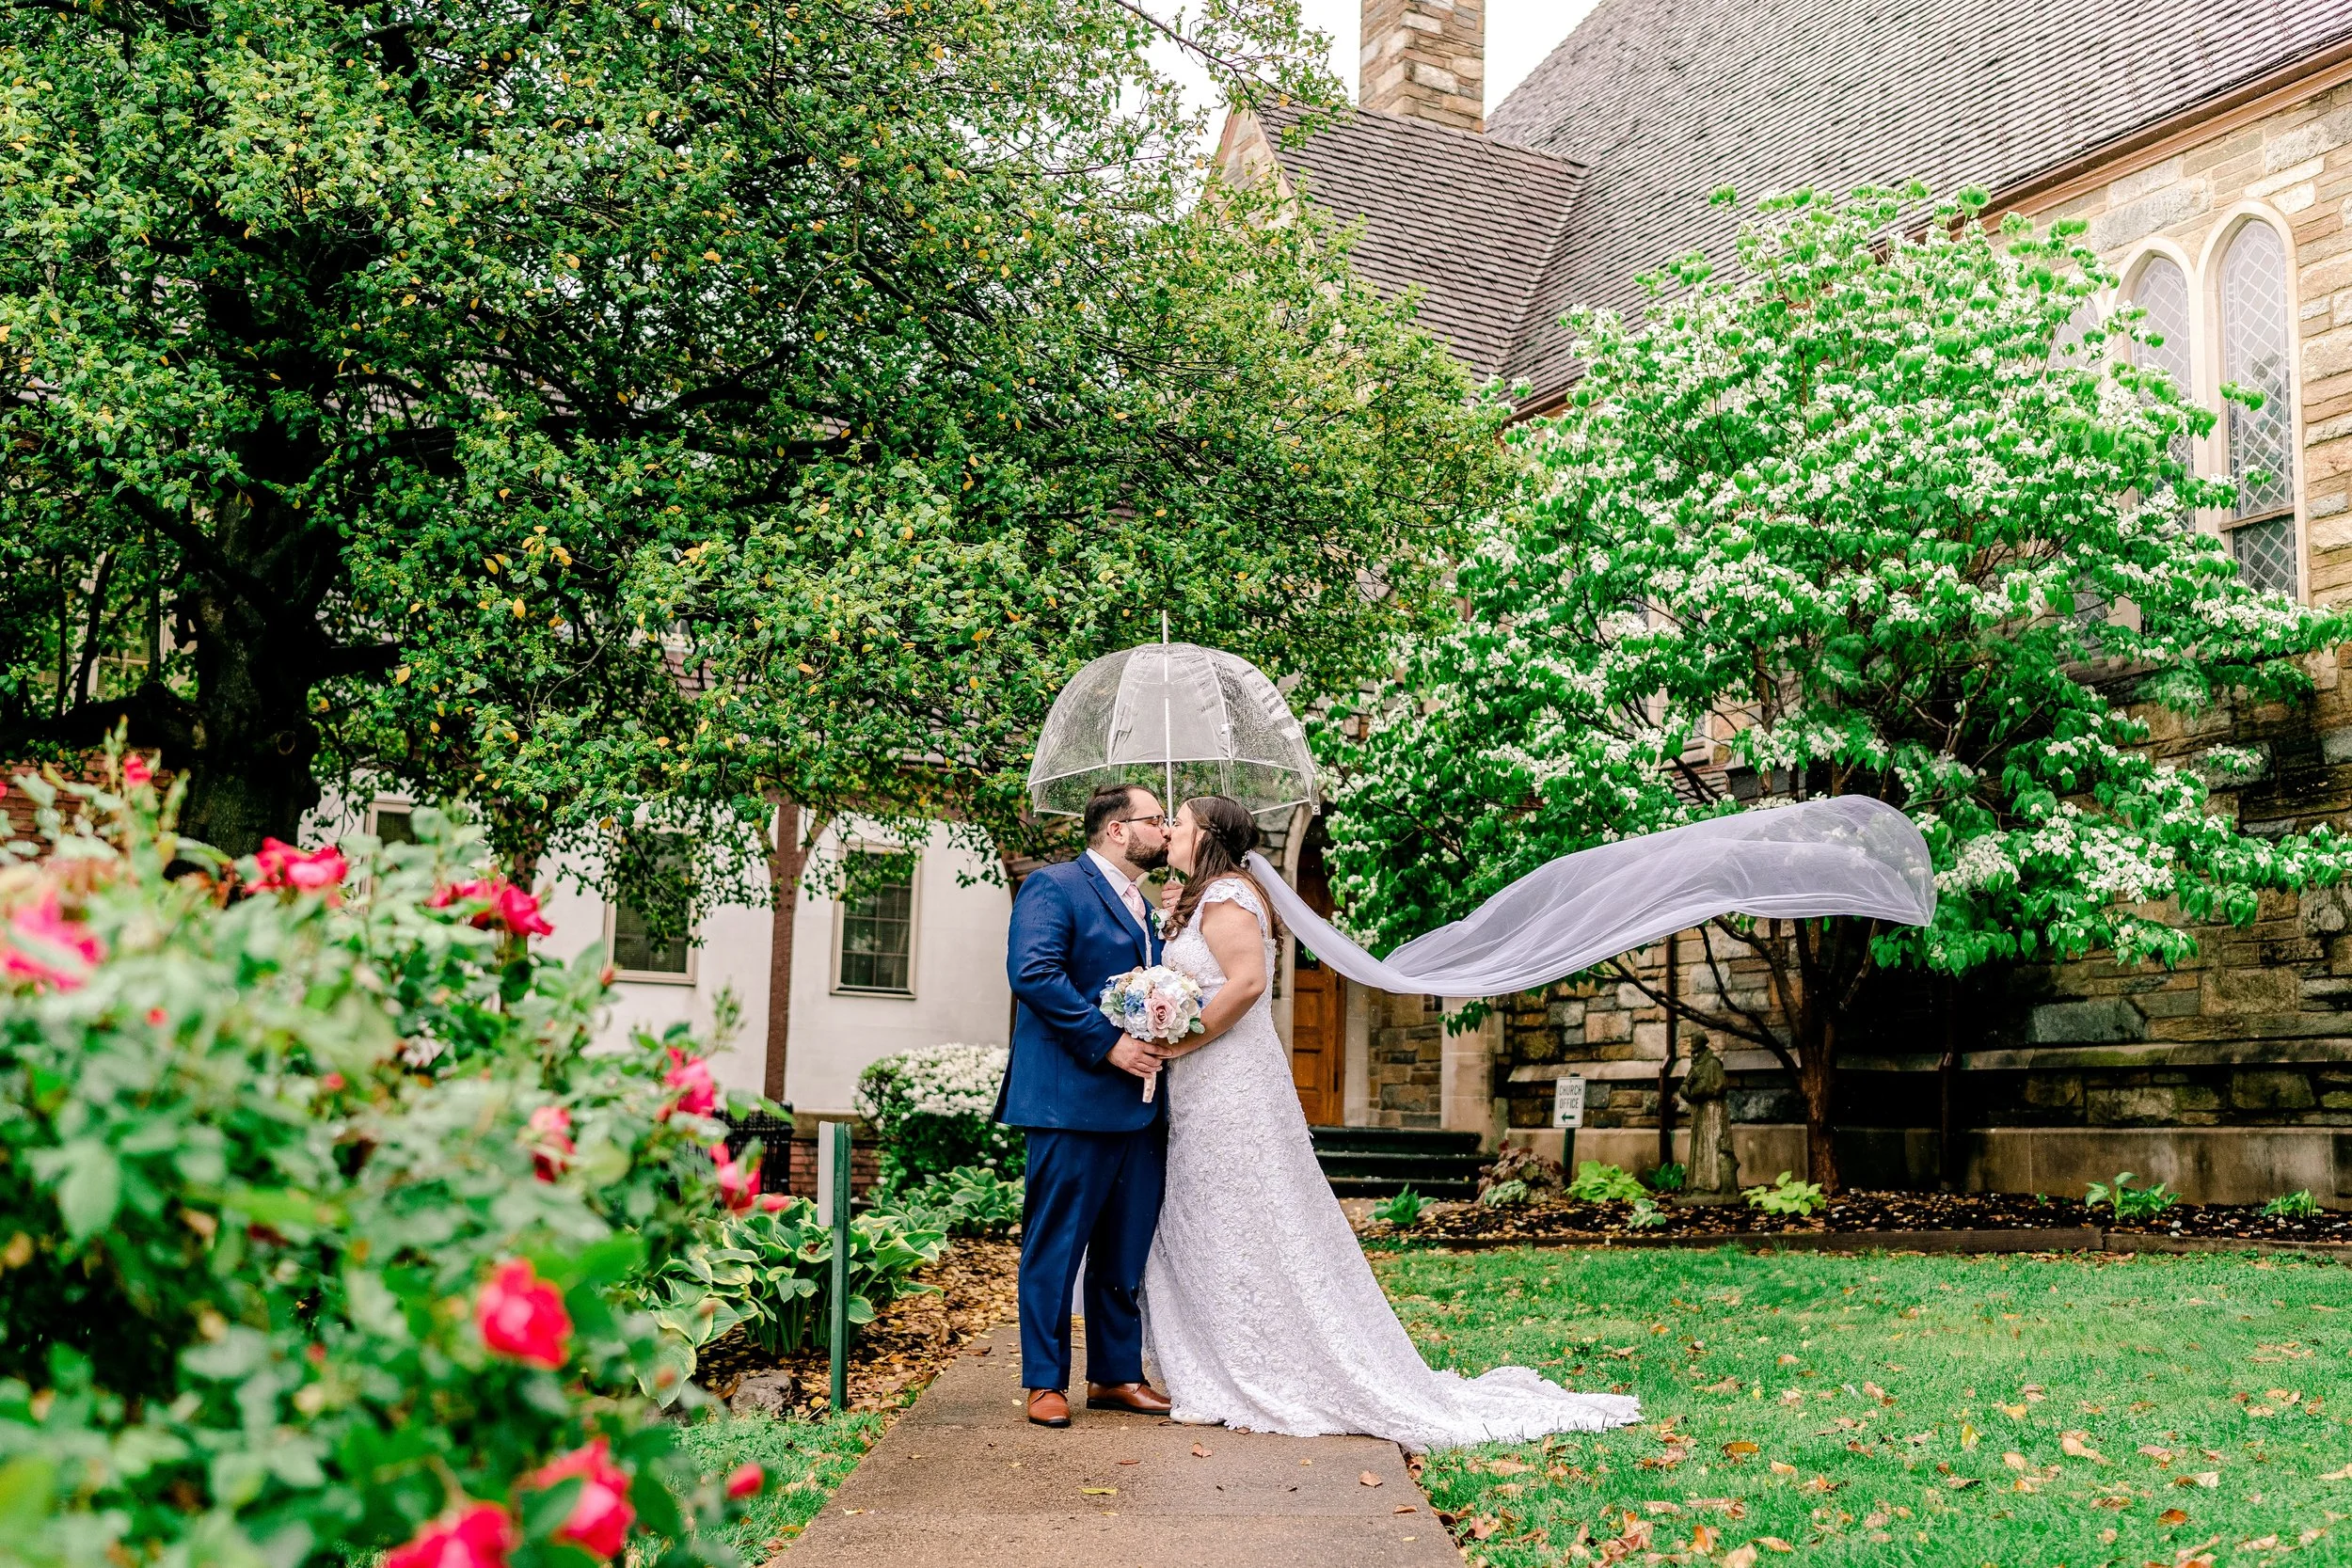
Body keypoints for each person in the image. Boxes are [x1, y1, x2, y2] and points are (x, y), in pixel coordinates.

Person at [1136, 795, 1643, 1449]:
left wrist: (1178, 1037)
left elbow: (1247, 983)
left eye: (1179, 820)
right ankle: (1225, 1352)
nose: (1170, 829)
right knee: (1215, 1217)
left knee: (1251, 1212)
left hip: (1230, 1083)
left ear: (1208, 836)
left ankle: (1270, 1361)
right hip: (1201, 1088)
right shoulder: (1195, 896)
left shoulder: (1230, 894)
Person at [996, 782, 1177, 1429]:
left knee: (1123, 1249)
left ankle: (1115, 1374)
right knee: (1056, 1245)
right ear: (1117, 830)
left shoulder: (1150, 908)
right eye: (1156, 819)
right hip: (1070, 1102)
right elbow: (1035, 974)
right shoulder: (1055, 886)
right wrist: (1110, 1046)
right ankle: (1045, 1380)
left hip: (1140, 1105)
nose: (1165, 829)